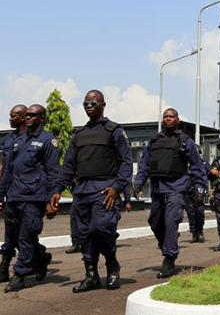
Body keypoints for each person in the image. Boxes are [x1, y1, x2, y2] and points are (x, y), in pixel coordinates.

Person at [49, 90, 132, 293]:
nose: (89, 106)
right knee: (83, 235)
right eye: (86, 103)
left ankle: (112, 265)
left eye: (93, 102)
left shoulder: (114, 131)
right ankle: (91, 275)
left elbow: (126, 162)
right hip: (82, 191)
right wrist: (58, 190)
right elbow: (68, 165)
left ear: (103, 105)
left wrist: (117, 187)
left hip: (105, 190)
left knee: (101, 228)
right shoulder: (79, 135)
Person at [0, 104, 59, 292]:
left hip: (34, 198)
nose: (28, 118)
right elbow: (7, 172)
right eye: (27, 115)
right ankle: (41, 258)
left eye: (32, 115)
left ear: (42, 119)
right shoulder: (17, 141)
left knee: (27, 237)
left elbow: (53, 172)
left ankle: (19, 275)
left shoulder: (48, 141)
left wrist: (52, 200)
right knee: (12, 237)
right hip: (14, 196)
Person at [133, 108, 207, 278]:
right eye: (165, 117)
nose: (168, 119)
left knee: (170, 221)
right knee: (155, 222)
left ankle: (169, 258)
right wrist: (138, 183)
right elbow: (144, 165)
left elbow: (197, 167)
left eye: (171, 117)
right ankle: (166, 242)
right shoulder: (154, 141)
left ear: (177, 120)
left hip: (177, 187)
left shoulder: (185, 141)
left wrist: (200, 188)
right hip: (158, 188)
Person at [0, 104, 28, 284]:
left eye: (13, 116)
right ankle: (4, 268)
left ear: (22, 117)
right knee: (10, 233)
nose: (10, 118)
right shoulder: (8, 139)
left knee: (25, 235)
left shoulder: (32, 137)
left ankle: (37, 260)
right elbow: (3, 167)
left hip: (28, 194)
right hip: (11, 192)